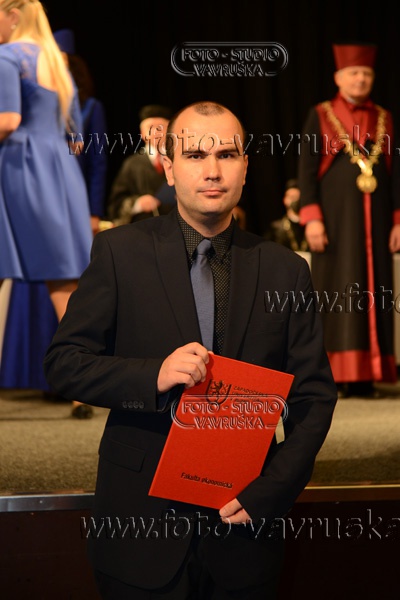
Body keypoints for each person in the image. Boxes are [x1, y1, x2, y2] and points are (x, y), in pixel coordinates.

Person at [44, 100, 337, 599]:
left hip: (244, 528)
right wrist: (152, 375)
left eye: (227, 154)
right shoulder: (119, 253)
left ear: (246, 166)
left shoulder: (286, 270)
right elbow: (64, 364)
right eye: (196, 155)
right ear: (168, 166)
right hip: (139, 526)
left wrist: (272, 491)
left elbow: (314, 398)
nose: (212, 170)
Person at [0, 0, 93, 416]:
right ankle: (83, 388)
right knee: (64, 282)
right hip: (60, 171)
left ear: (13, 15)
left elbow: (7, 120)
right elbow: (77, 139)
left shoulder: (7, 56)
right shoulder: (57, 62)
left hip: (20, 168)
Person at [298, 42, 400, 399]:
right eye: (354, 72)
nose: (361, 79)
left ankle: (368, 375)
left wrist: (398, 220)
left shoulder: (384, 117)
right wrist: (312, 218)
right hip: (335, 224)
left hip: (377, 223)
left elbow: (396, 175)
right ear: (338, 77)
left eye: (366, 73)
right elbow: (306, 171)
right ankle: (336, 375)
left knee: (376, 291)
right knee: (336, 292)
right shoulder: (321, 115)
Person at [107, 103, 177, 225]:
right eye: (150, 127)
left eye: (161, 127)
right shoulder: (132, 164)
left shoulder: (180, 160)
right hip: (144, 228)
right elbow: (115, 205)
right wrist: (138, 203)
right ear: (142, 133)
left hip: (179, 226)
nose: (156, 132)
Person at [264, 178, 308, 252]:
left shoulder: (311, 226)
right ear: (285, 200)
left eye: (297, 198)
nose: (295, 201)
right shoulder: (276, 229)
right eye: (292, 197)